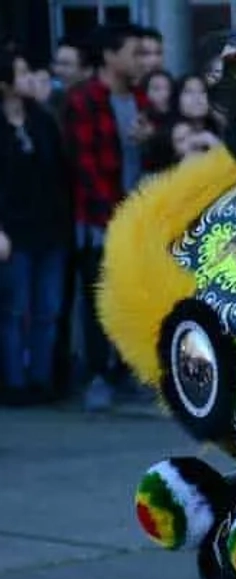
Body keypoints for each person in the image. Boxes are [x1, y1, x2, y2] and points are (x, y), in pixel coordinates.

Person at [64, 23, 146, 411]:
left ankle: (124, 371)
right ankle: (98, 375)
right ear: (111, 56)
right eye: (134, 52)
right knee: (98, 297)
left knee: (129, 297)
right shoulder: (84, 101)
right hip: (99, 220)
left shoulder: (140, 98)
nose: (140, 61)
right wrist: (112, 214)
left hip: (135, 214)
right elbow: (84, 167)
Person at [0, 50, 70, 405]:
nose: (29, 78)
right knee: (14, 310)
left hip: (50, 229)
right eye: (22, 72)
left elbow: (59, 173)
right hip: (13, 232)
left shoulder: (41, 120)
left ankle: (42, 379)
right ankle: (14, 382)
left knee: (48, 309)